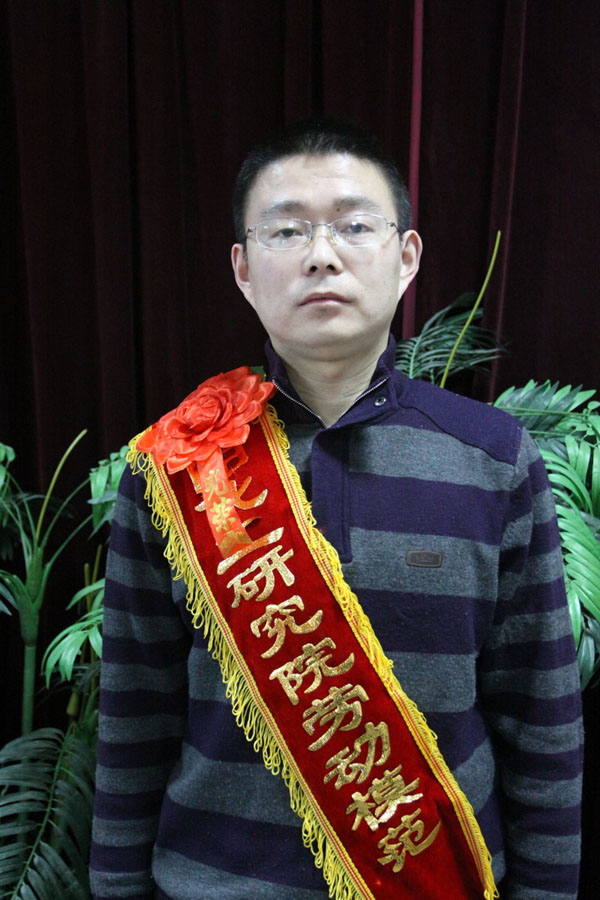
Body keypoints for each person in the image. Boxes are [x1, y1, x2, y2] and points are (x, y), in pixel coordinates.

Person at [90, 119, 583, 900]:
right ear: (244, 269)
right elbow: (132, 717)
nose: (322, 254)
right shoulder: (178, 468)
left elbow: (541, 717)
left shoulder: (494, 458)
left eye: (354, 225)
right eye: (287, 231)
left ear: (405, 256)